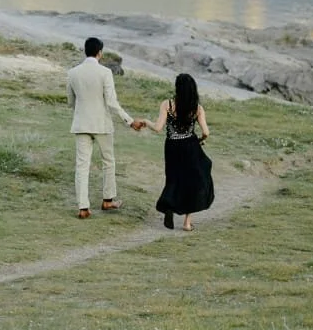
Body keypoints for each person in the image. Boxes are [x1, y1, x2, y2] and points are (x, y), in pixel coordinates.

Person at [66, 37, 144, 219]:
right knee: (108, 162)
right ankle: (108, 200)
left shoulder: (72, 73)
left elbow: (70, 102)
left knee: (82, 166)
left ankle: (83, 207)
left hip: (81, 123)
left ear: (85, 51)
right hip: (101, 124)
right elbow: (111, 102)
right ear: (100, 52)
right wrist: (129, 120)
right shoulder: (105, 72)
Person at [151, 73, 214, 231]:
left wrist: (145, 122)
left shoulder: (167, 104)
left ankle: (169, 206)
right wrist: (200, 139)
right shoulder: (197, 108)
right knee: (193, 180)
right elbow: (206, 132)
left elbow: (158, 128)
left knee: (173, 178)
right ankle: (187, 222)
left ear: (177, 88)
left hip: (172, 146)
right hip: (190, 146)